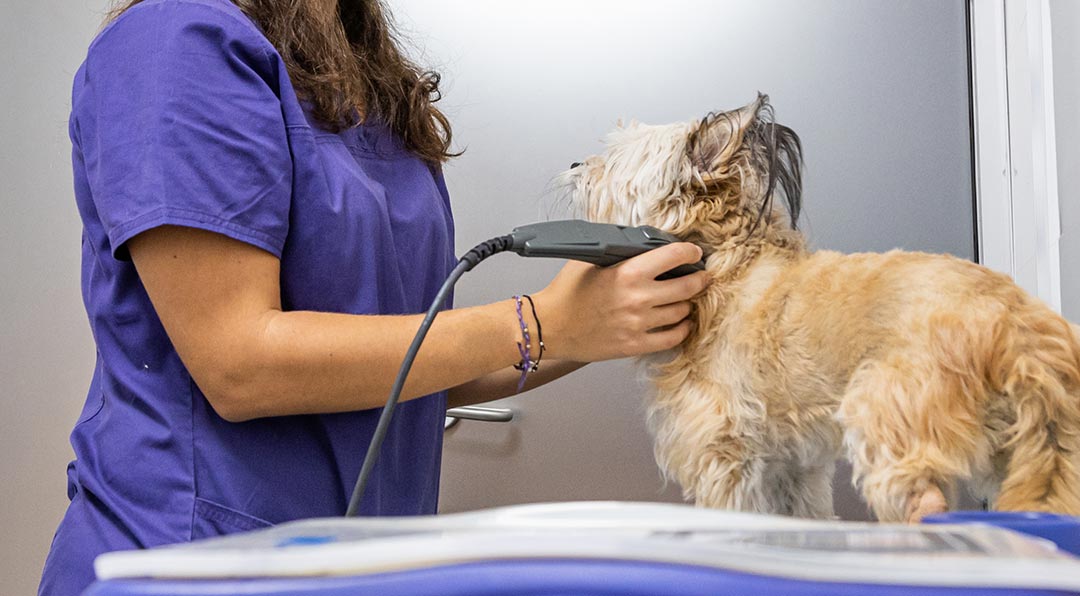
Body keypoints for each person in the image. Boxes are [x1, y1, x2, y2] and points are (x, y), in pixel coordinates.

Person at [38, 0, 708, 593]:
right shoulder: (177, 42)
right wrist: (539, 322)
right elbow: (239, 363)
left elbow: (419, 366)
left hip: (364, 561)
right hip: (194, 560)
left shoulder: (363, 75)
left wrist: (603, 322)